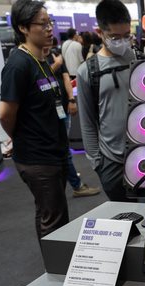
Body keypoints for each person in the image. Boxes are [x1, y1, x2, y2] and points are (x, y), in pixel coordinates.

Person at [0, 0, 69, 239]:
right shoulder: (18, 65)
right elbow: (5, 114)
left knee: (52, 213)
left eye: (50, 23)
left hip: (54, 151)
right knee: (54, 221)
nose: (49, 29)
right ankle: (55, 262)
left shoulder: (40, 60)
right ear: (23, 28)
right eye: (42, 24)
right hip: (37, 157)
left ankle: (55, 259)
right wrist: (20, 136)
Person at [76, 0, 135, 202]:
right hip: (111, 161)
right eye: (115, 37)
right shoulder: (87, 71)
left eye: (126, 35)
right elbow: (87, 122)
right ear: (100, 32)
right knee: (123, 216)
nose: (122, 41)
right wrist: (97, 163)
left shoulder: (141, 60)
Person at [45, 39, 101, 198]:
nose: (48, 31)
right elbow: (39, 81)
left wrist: (71, 100)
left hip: (62, 109)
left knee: (63, 149)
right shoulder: (33, 61)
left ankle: (73, 185)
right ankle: (75, 185)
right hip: (47, 115)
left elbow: (65, 78)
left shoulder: (54, 54)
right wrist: (55, 65)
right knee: (61, 151)